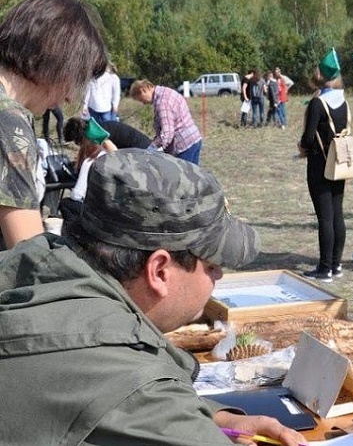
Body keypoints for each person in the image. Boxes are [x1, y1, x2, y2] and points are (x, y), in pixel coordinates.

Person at [0, 150, 307, 446]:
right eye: (213, 266)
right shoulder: (134, 384)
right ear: (159, 270)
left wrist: (214, 417)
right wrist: (188, 423)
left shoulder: (33, 264)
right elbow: (135, 397)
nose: (219, 277)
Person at [0, 0, 107, 249]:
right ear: (56, 63)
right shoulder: (9, 123)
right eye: (74, 79)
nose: (69, 97)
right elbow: (28, 253)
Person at [297, 49, 348, 282]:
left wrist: (302, 147)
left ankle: (325, 268)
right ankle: (336, 264)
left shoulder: (318, 103)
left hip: (320, 164)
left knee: (325, 218)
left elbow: (308, 138)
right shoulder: (343, 101)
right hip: (340, 162)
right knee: (337, 214)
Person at [129, 79, 203, 165]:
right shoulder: (165, 92)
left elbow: (167, 133)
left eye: (141, 99)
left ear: (144, 90)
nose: (143, 103)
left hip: (184, 145)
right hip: (193, 138)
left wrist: (154, 149)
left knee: (182, 173)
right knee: (192, 172)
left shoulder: (162, 102)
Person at [64, 116, 152, 150]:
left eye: (75, 141)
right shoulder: (89, 126)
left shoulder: (95, 134)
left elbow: (113, 152)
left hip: (142, 148)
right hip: (139, 144)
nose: (76, 144)